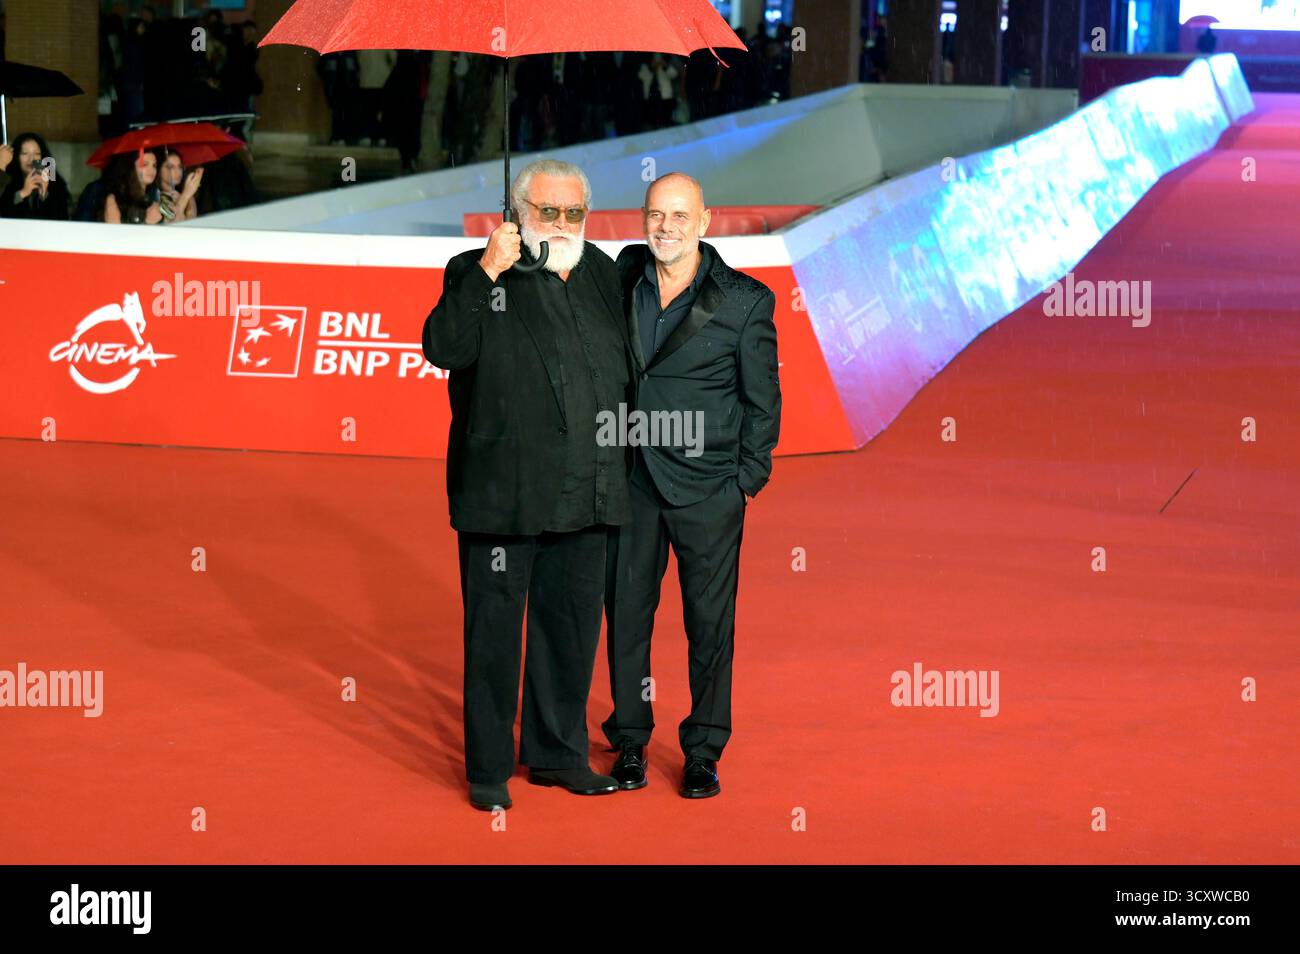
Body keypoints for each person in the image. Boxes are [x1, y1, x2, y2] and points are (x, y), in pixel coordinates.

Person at [421, 159, 634, 812]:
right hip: (504, 495)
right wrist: (489, 269)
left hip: (591, 488)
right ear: (518, 212)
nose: (563, 224)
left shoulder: (605, 273)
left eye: (574, 212)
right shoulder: (477, 271)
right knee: (493, 635)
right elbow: (443, 348)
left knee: (570, 632)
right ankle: (487, 768)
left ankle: (558, 754)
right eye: (549, 211)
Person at [603, 172, 781, 799]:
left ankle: (703, 748)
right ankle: (629, 740)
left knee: (709, 624)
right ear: (642, 218)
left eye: (680, 216)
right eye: (656, 215)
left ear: (706, 222)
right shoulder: (623, 273)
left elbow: (764, 403)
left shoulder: (744, 301)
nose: (666, 227)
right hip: (631, 481)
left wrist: (744, 483)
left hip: (710, 491)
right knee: (626, 617)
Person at [0, 133, 71, 220]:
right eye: (24, 153)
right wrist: (23, 193)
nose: (31, 159)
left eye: (37, 154)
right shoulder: (6, 182)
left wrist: (44, 194)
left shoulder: (56, 185)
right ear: (16, 157)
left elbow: (61, 220)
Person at [99, 151, 162, 224]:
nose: (152, 170)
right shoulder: (113, 199)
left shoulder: (152, 197)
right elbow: (114, 233)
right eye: (144, 164)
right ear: (131, 167)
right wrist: (147, 222)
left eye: (154, 165)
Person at [154, 147, 203, 223]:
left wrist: (190, 198)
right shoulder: (155, 197)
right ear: (158, 169)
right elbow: (172, 222)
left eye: (180, 167)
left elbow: (192, 223)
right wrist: (186, 195)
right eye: (170, 167)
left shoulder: (182, 194)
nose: (178, 171)